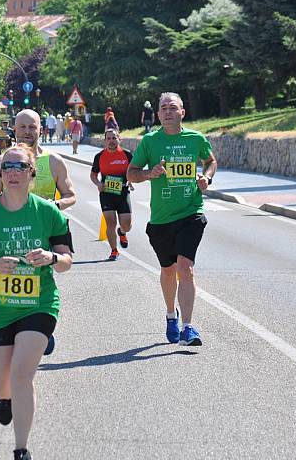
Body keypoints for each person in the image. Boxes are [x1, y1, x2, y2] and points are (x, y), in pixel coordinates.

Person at [0, 144, 73, 460]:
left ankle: (21, 449)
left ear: (31, 174)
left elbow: (67, 260)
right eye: (6, 167)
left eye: (19, 167)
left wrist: (51, 258)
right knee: (2, 384)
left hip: (39, 304)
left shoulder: (48, 212)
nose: (12, 173)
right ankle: (5, 398)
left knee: (22, 375)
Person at [0, 109, 77, 356]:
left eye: (32, 127)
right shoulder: (3, 163)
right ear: (14, 129)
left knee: (47, 275)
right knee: (17, 278)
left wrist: (53, 206)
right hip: (13, 231)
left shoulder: (53, 161)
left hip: (48, 229)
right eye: (22, 127)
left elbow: (70, 195)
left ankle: (41, 325)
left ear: (40, 129)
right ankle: (29, 328)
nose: (27, 132)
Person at [127, 92, 217, 346]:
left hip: (191, 212)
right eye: (163, 108)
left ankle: (188, 327)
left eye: (172, 107)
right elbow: (131, 173)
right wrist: (149, 174)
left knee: (185, 267)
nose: (167, 111)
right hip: (161, 219)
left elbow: (210, 161)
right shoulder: (150, 142)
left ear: (182, 113)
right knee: (168, 271)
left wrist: (206, 178)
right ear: (158, 115)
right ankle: (171, 315)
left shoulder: (195, 139)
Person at [90, 129, 133, 261]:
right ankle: (114, 250)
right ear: (105, 141)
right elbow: (93, 175)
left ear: (119, 139)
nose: (111, 141)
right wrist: (98, 184)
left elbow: (133, 171)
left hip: (122, 192)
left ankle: (122, 232)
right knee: (110, 222)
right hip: (106, 193)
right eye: (108, 138)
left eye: (114, 138)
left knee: (127, 224)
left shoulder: (127, 155)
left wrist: (130, 181)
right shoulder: (99, 156)